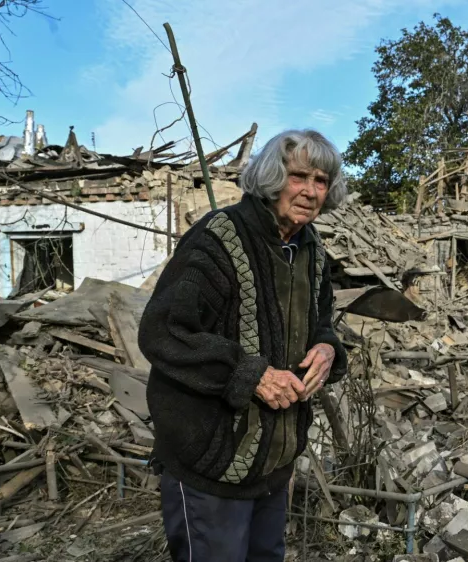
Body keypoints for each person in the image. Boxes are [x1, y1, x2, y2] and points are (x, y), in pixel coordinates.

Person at [138, 129, 349, 561]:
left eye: (322, 181)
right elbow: (164, 331)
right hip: (212, 459)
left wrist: (327, 350)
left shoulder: (311, 251)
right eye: (299, 177)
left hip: (273, 463)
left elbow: (322, 323)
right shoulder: (219, 238)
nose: (310, 191)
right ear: (273, 177)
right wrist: (250, 374)